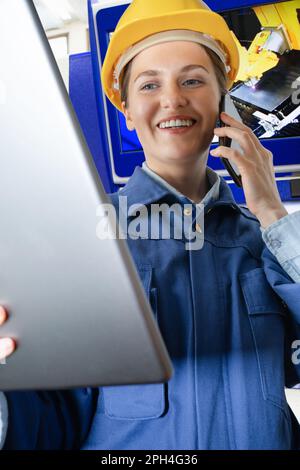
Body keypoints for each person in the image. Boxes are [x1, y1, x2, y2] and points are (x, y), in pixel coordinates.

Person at [1, 0, 300, 450]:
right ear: (126, 110)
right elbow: (50, 422)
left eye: (193, 80)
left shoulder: (268, 241)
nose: (172, 98)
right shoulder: (81, 239)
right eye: (149, 84)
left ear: (224, 103)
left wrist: (274, 213)